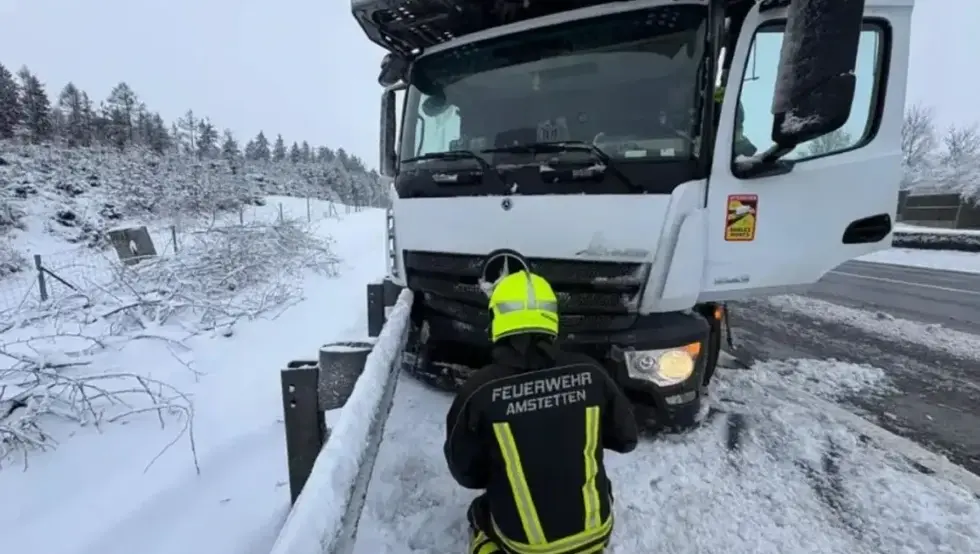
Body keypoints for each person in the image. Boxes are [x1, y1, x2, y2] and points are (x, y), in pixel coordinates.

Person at [443, 270, 639, 554]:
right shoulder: (591, 372)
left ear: (496, 318)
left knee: (481, 510)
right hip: (597, 533)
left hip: (526, 546)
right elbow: (627, 439)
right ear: (552, 316)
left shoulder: (479, 391)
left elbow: (466, 475)